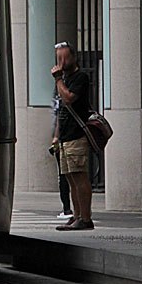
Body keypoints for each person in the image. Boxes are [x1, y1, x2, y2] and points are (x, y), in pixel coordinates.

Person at [50, 42, 94, 231]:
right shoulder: (63, 80)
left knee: (80, 177)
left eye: (65, 57)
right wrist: (56, 136)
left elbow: (69, 98)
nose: (62, 62)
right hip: (65, 137)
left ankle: (85, 217)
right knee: (70, 178)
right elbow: (60, 110)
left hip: (77, 135)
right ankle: (76, 216)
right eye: (59, 58)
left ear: (73, 57)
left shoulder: (80, 78)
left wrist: (58, 79)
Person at [50, 95, 73, 220]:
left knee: (67, 176)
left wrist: (56, 137)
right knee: (67, 176)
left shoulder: (64, 96)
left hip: (66, 139)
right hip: (64, 139)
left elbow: (59, 118)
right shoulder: (60, 97)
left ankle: (68, 209)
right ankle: (68, 209)